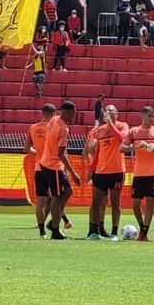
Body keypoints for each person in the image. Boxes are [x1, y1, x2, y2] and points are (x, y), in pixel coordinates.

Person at [24, 103, 72, 239]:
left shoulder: (33, 128)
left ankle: (42, 232)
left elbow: (27, 148)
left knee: (41, 201)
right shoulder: (54, 125)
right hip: (51, 166)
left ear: (42, 112)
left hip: (39, 167)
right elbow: (60, 149)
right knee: (57, 197)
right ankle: (56, 225)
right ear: (54, 112)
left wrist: (38, 152)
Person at [37, 101, 82, 240]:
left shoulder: (54, 119)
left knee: (68, 191)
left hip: (45, 163)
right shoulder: (63, 128)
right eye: (72, 113)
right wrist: (73, 173)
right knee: (57, 197)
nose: (73, 116)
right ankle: (55, 230)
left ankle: (53, 220)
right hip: (53, 165)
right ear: (66, 112)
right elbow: (61, 153)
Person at [84, 105, 130, 240]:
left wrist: (111, 124)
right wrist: (91, 169)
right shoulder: (99, 131)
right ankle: (94, 231)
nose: (108, 112)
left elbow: (122, 138)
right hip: (101, 171)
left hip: (117, 171)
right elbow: (98, 153)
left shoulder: (123, 126)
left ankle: (114, 232)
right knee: (96, 202)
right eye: (106, 111)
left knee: (115, 203)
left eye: (111, 111)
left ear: (117, 113)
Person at [123, 106, 154, 241]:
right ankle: (142, 226)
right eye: (150, 116)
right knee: (135, 204)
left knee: (149, 202)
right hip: (138, 173)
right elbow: (122, 148)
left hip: (153, 173)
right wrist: (137, 146)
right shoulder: (133, 132)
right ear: (142, 116)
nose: (152, 119)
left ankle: (144, 233)